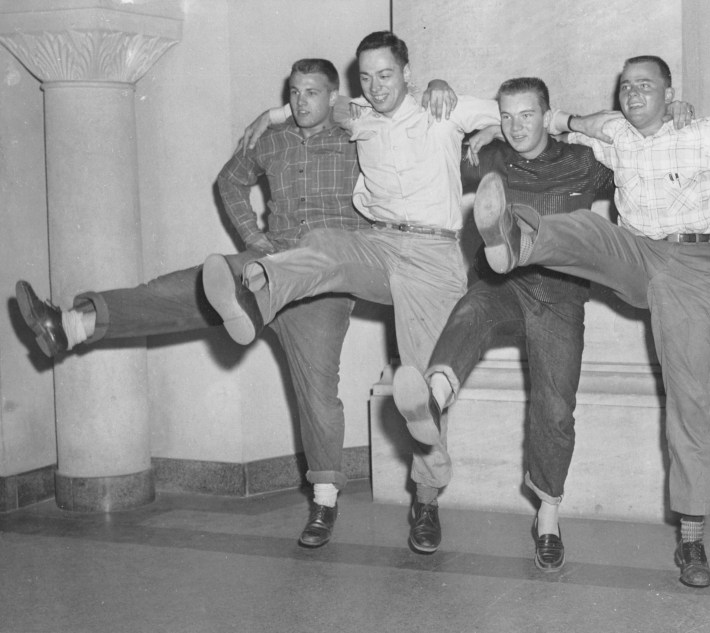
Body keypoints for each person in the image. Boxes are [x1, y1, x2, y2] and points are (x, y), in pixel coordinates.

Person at [15, 58, 375, 549]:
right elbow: (230, 181)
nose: (299, 102)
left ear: (332, 95)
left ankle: (325, 501)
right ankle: (71, 326)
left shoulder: (357, 132)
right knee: (182, 288)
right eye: (293, 92)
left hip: (324, 277)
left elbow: (387, 110)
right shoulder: (271, 138)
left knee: (316, 392)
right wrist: (254, 235)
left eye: (311, 93)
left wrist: (272, 112)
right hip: (271, 260)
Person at [471, 55, 710, 587]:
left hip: (689, 266)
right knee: (588, 228)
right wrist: (487, 129)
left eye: (646, 85)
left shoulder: (700, 132)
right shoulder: (612, 130)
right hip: (635, 252)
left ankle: (691, 538)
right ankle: (518, 238)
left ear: (668, 91)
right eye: (626, 86)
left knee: (688, 394)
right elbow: (552, 121)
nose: (634, 93)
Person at [201, 30, 504, 554]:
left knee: (423, 391)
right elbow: (307, 105)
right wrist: (268, 116)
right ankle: (257, 297)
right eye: (366, 77)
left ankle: (426, 502)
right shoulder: (357, 113)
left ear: (407, 73)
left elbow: (521, 114)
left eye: (386, 75)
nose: (376, 86)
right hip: (381, 243)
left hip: (433, 257)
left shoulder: (442, 108)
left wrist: (486, 124)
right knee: (323, 241)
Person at [391, 76, 615, 572]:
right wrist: (434, 86)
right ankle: (434, 395)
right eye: (506, 116)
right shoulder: (490, 156)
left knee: (555, 408)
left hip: (560, 293)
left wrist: (670, 112)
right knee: (471, 309)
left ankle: (549, 518)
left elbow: (637, 145)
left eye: (527, 115)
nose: (515, 126)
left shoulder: (586, 162)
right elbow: (426, 140)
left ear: (547, 114)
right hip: (503, 281)